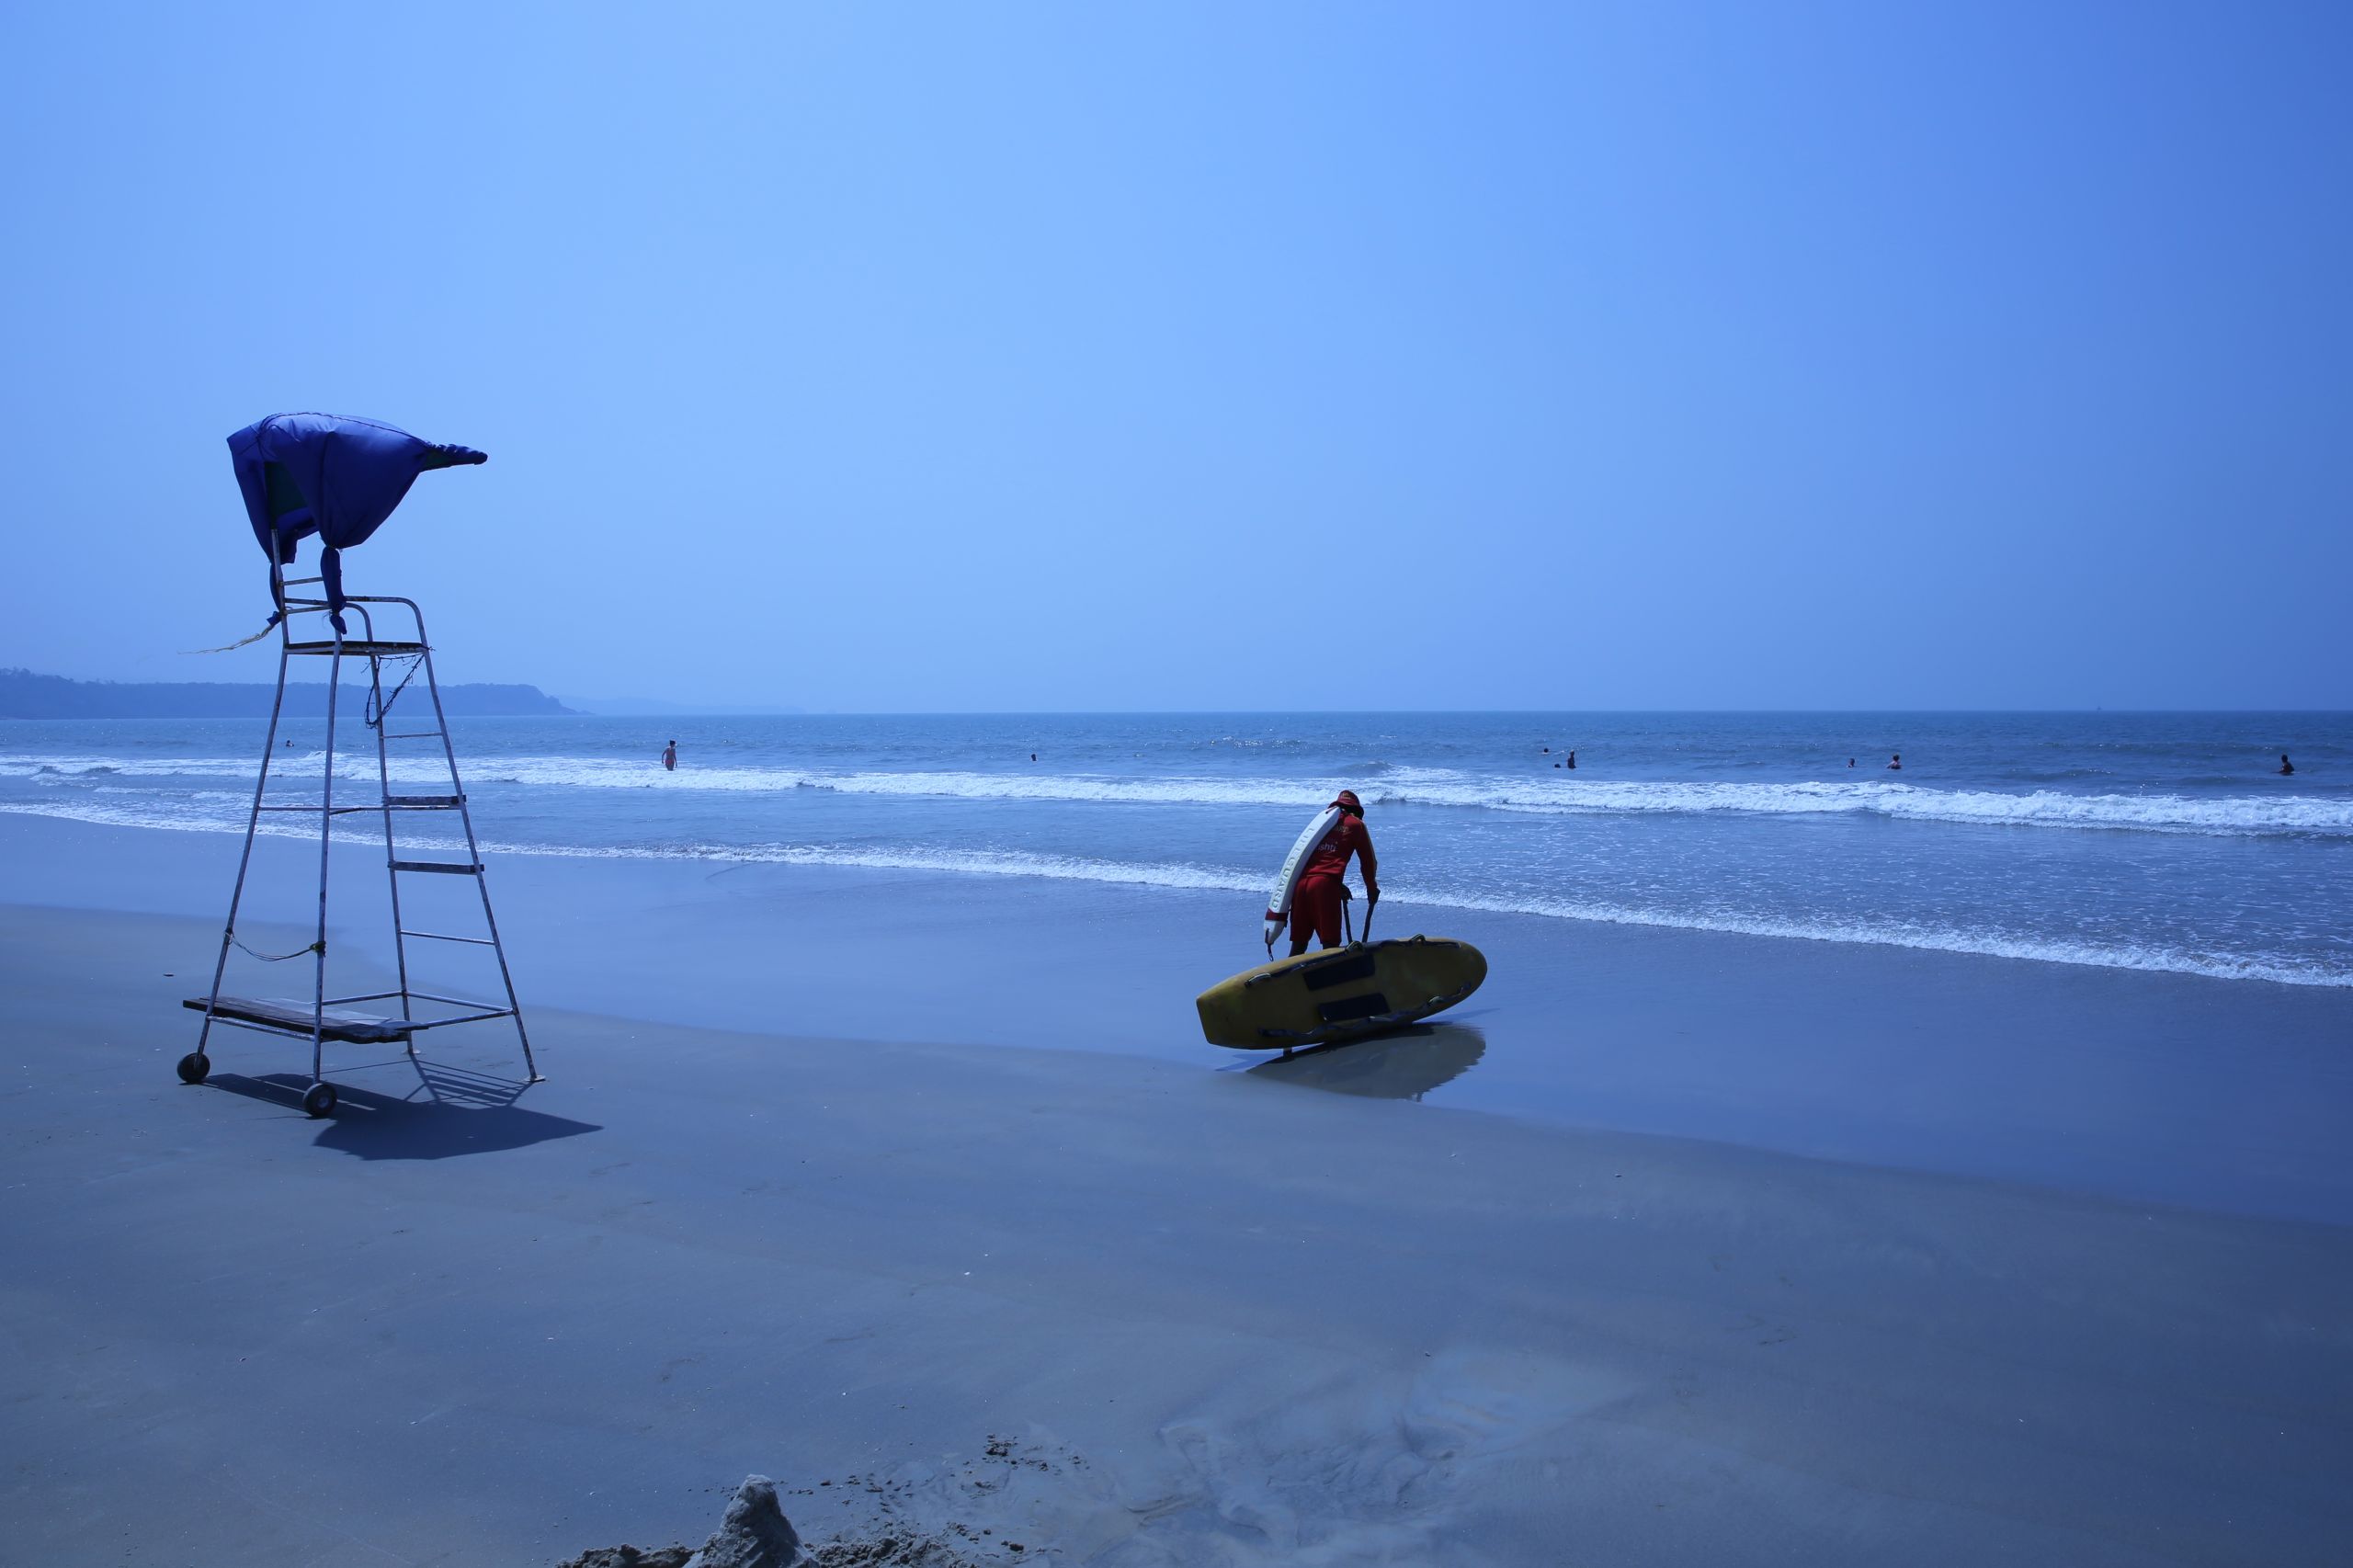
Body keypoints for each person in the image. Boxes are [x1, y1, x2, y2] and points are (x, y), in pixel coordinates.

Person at [1290, 790, 1378, 957]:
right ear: (1356, 810)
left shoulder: (1321, 823)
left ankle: (1286, 974)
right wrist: (1372, 888)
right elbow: (1368, 862)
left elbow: (1311, 857)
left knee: (1298, 946)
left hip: (1301, 884)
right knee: (1330, 946)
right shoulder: (1356, 825)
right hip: (1325, 887)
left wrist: (1337, 885)